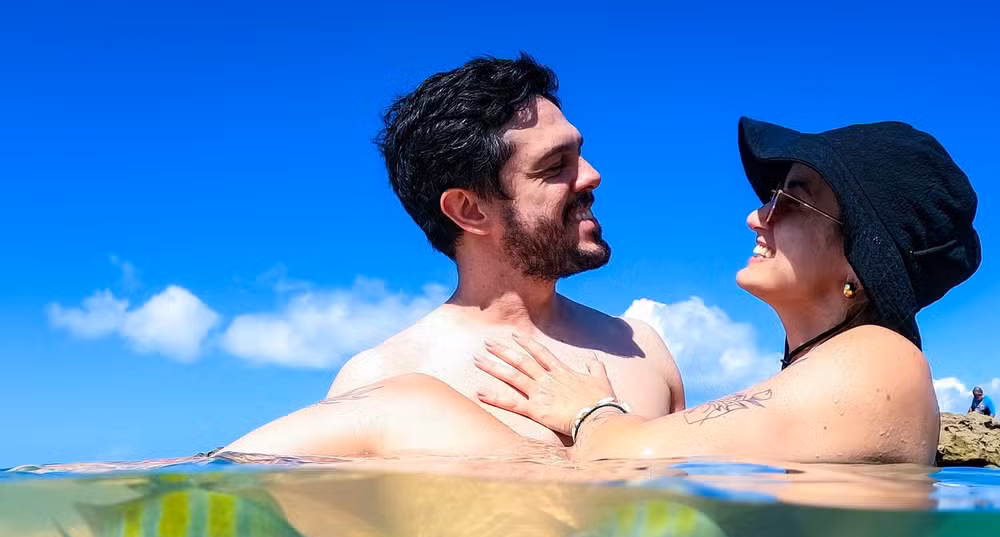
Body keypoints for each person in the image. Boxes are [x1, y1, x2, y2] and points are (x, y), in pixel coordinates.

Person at [224, 55, 682, 459]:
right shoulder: (388, 375)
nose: (592, 177)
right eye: (553, 166)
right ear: (469, 209)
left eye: (579, 154)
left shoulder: (641, 345)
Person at [469, 117, 981, 465]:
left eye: (791, 203)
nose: (757, 216)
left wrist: (589, 412)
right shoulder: (843, 364)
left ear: (861, 258)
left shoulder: (880, 360)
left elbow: (633, 456)